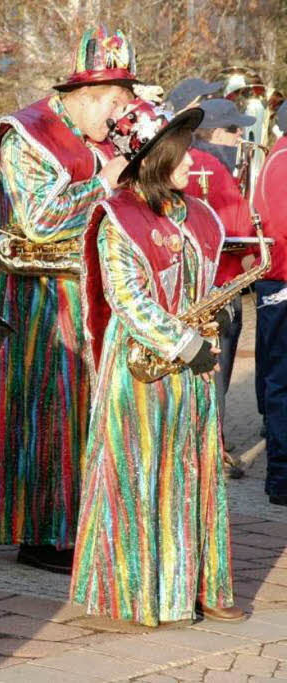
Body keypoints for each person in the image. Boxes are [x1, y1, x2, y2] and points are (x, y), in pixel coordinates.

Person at [73, 97, 244, 625]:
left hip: (191, 369)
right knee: (141, 474)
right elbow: (127, 298)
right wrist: (185, 344)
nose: (193, 162)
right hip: (142, 372)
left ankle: (197, 585)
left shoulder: (192, 211)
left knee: (194, 473)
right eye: (183, 153)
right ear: (153, 160)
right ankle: (140, 595)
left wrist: (217, 316)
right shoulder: (118, 218)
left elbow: (203, 277)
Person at [0, 26, 134, 574]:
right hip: (42, 301)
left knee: (92, 411)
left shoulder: (107, 139)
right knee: (50, 413)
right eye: (114, 102)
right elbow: (38, 221)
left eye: (125, 100)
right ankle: (43, 531)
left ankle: (85, 523)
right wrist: (106, 183)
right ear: (82, 96)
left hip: (94, 292)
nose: (121, 112)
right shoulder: (29, 133)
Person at [182, 97, 256, 467]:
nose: (238, 135)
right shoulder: (214, 167)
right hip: (219, 290)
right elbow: (241, 229)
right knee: (217, 371)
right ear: (212, 132)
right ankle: (213, 446)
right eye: (232, 129)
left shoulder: (175, 163)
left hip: (180, 291)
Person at [253, 101, 287, 506]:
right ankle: (280, 474)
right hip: (280, 282)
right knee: (281, 382)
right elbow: (280, 223)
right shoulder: (282, 162)